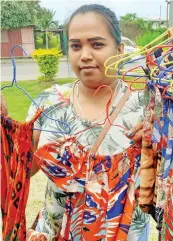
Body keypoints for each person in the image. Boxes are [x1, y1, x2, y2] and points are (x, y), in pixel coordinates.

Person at [26, 4, 150, 241]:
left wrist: (155, 143)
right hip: (55, 232)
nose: (84, 55)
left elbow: (160, 183)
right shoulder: (49, 102)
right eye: (75, 46)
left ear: (120, 50)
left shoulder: (145, 108)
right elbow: (22, 171)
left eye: (97, 44)